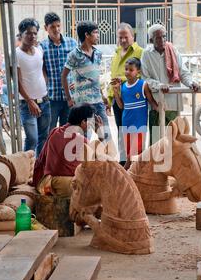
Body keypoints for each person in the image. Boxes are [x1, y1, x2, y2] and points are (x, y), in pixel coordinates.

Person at [141, 23, 200, 145]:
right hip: (157, 104)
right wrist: (159, 85)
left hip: (173, 103)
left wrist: (191, 83)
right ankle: (157, 164)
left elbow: (183, 72)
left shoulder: (173, 51)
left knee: (174, 140)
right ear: (151, 40)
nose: (162, 40)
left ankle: (173, 164)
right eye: (158, 37)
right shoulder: (146, 54)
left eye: (164, 36)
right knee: (157, 142)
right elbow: (145, 78)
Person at [32, 104, 103, 198]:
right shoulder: (81, 139)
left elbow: (41, 160)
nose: (91, 126)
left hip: (47, 182)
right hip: (66, 185)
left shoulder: (55, 131)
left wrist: (36, 181)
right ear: (83, 122)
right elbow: (100, 160)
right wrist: (100, 134)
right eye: (91, 122)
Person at [61, 21, 111, 141]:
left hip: (98, 101)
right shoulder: (74, 55)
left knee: (105, 135)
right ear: (86, 35)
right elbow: (64, 76)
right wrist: (69, 98)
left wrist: (103, 96)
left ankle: (106, 159)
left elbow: (95, 78)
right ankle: (82, 160)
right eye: (95, 32)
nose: (98, 35)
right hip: (82, 104)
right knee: (83, 138)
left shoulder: (98, 54)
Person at [112, 57, 158, 170]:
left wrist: (159, 108)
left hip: (139, 126)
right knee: (132, 154)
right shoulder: (123, 87)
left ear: (138, 72)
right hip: (126, 123)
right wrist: (116, 92)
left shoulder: (143, 85)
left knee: (132, 153)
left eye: (131, 70)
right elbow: (121, 106)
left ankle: (123, 172)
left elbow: (152, 102)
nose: (127, 72)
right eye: (126, 69)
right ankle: (133, 177)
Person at [108, 22, 144, 163]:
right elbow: (113, 76)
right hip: (118, 99)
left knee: (136, 132)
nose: (123, 40)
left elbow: (142, 76)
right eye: (120, 37)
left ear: (132, 36)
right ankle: (124, 162)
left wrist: (121, 79)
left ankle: (136, 163)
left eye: (126, 37)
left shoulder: (140, 52)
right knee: (121, 131)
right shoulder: (116, 53)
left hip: (134, 101)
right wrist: (110, 98)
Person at [17, 18, 51, 156]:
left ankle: (39, 169)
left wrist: (45, 87)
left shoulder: (38, 51)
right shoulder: (16, 54)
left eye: (35, 33)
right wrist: (30, 101)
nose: (33, 36)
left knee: (44, 137)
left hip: (44, 100)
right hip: (27, 104)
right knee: (32, 138)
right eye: (29, 33)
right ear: (21, 35)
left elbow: (42, 70)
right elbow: (17, 82)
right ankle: (26, 170)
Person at [41, 12, 77, 132]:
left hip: (70, 96)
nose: (56, 29)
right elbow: (42, 70)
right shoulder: (42, 47)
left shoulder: (72, 43)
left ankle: (62, 151)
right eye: (52, 27)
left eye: (58, 26)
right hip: (52, 96)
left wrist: (77, 83)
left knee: (67, 131)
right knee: (49, 130)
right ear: (46, 28)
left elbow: (78, 66)